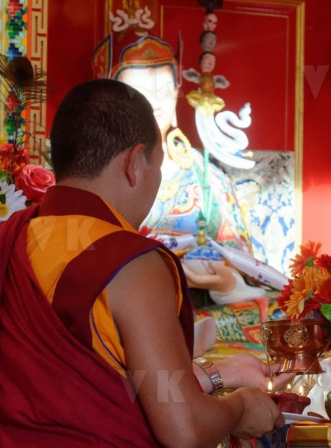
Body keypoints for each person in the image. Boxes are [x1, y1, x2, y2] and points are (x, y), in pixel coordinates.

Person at [0, 79, 290, 448]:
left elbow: (106, 389)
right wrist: (241, 408)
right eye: (158, 167)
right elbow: (181, 427)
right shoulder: (129, 260)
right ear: (133, 164)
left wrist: (219, 374)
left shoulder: (7, 245)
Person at [92, 32, 261, 302]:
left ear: (177, 92)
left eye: (164, 91)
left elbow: (241, 262)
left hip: (200, 301)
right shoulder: (96, 172)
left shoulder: (202, 172)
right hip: (125, 300)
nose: (155, 103)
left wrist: (226, 282)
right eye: (141, 93)